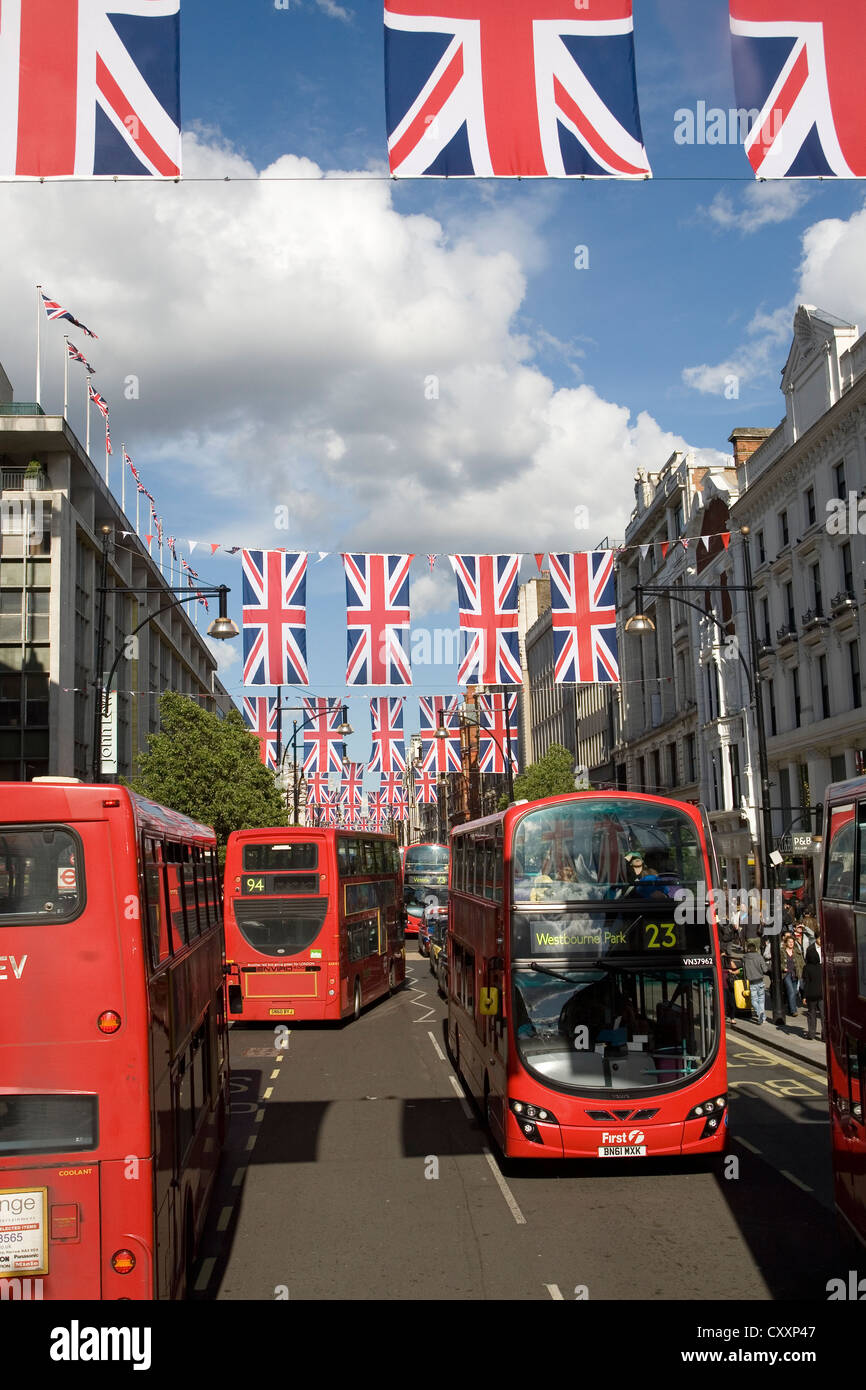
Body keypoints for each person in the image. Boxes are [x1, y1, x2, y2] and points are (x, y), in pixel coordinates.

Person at [801, 933, 824, 1041]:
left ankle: (811, 1034)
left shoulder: (806, 968)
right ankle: (825, 1035)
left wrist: (804, 996)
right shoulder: (821, 967)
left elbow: (806, 983)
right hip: (821, 993)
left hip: (810, 994)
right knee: (824, 1015)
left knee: (811, 1014)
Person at [742, 938, 769, 1024]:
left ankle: (760, 1014)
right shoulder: (759, 957)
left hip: (752, 982)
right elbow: (765, 970)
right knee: (761, 999)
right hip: (760, 981)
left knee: (754, 1000)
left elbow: (744, 971)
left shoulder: (744, 958)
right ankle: (762, 1016)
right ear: (756, 949)